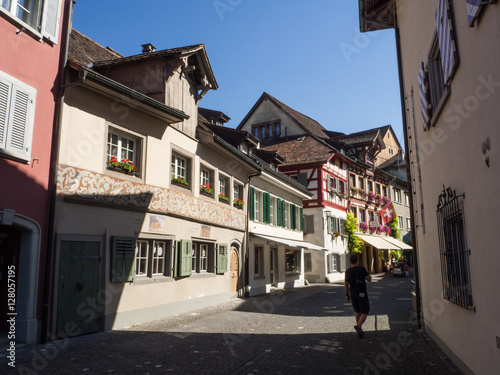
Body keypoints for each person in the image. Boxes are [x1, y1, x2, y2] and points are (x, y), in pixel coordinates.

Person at [345, 254, 372, 338]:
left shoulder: (348, 271)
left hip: (353, 294)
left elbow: (346, 284)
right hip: (362, 293)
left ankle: (359, 330)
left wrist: (347, 295)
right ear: (357, 260)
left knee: (357, 312)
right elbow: (369, 279)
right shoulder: (362, 268)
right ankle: (358, 326)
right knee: (364, 311)